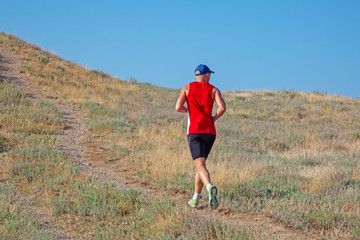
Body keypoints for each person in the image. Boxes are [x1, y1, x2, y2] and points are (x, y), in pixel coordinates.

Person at [175, 64, 226, 210]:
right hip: (210, 132)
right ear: (205, 75)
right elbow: (222, 108)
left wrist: (189, 111)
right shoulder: (214, 90)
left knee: (200, 165)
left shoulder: (187, 88)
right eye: (209, 74)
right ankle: (195, 198)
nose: (210, 76)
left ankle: (210, 188)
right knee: (201, 165)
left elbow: (178, 107)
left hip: (194, 132)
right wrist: (214, 118)